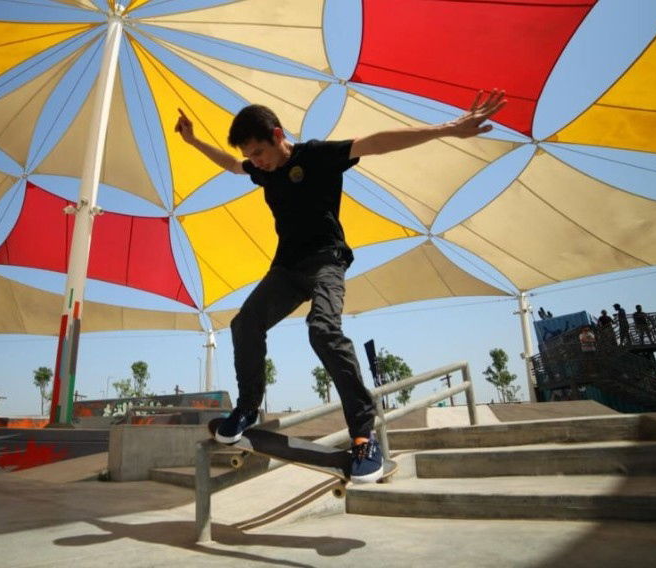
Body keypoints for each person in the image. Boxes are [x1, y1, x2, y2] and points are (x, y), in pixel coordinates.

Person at [175, 89, 506, 483]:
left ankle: (364, 437)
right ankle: (247, 408)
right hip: (286, 269)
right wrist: (193, 141)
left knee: (323, 331)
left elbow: (378, 143)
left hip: (326, 261)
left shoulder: (316, 155)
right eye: (251, 156)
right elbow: (231, 165)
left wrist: (448, 129)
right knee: (244, 324)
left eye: (260, 152)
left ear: (278, 134)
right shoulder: (259, 168)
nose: (256, 162)